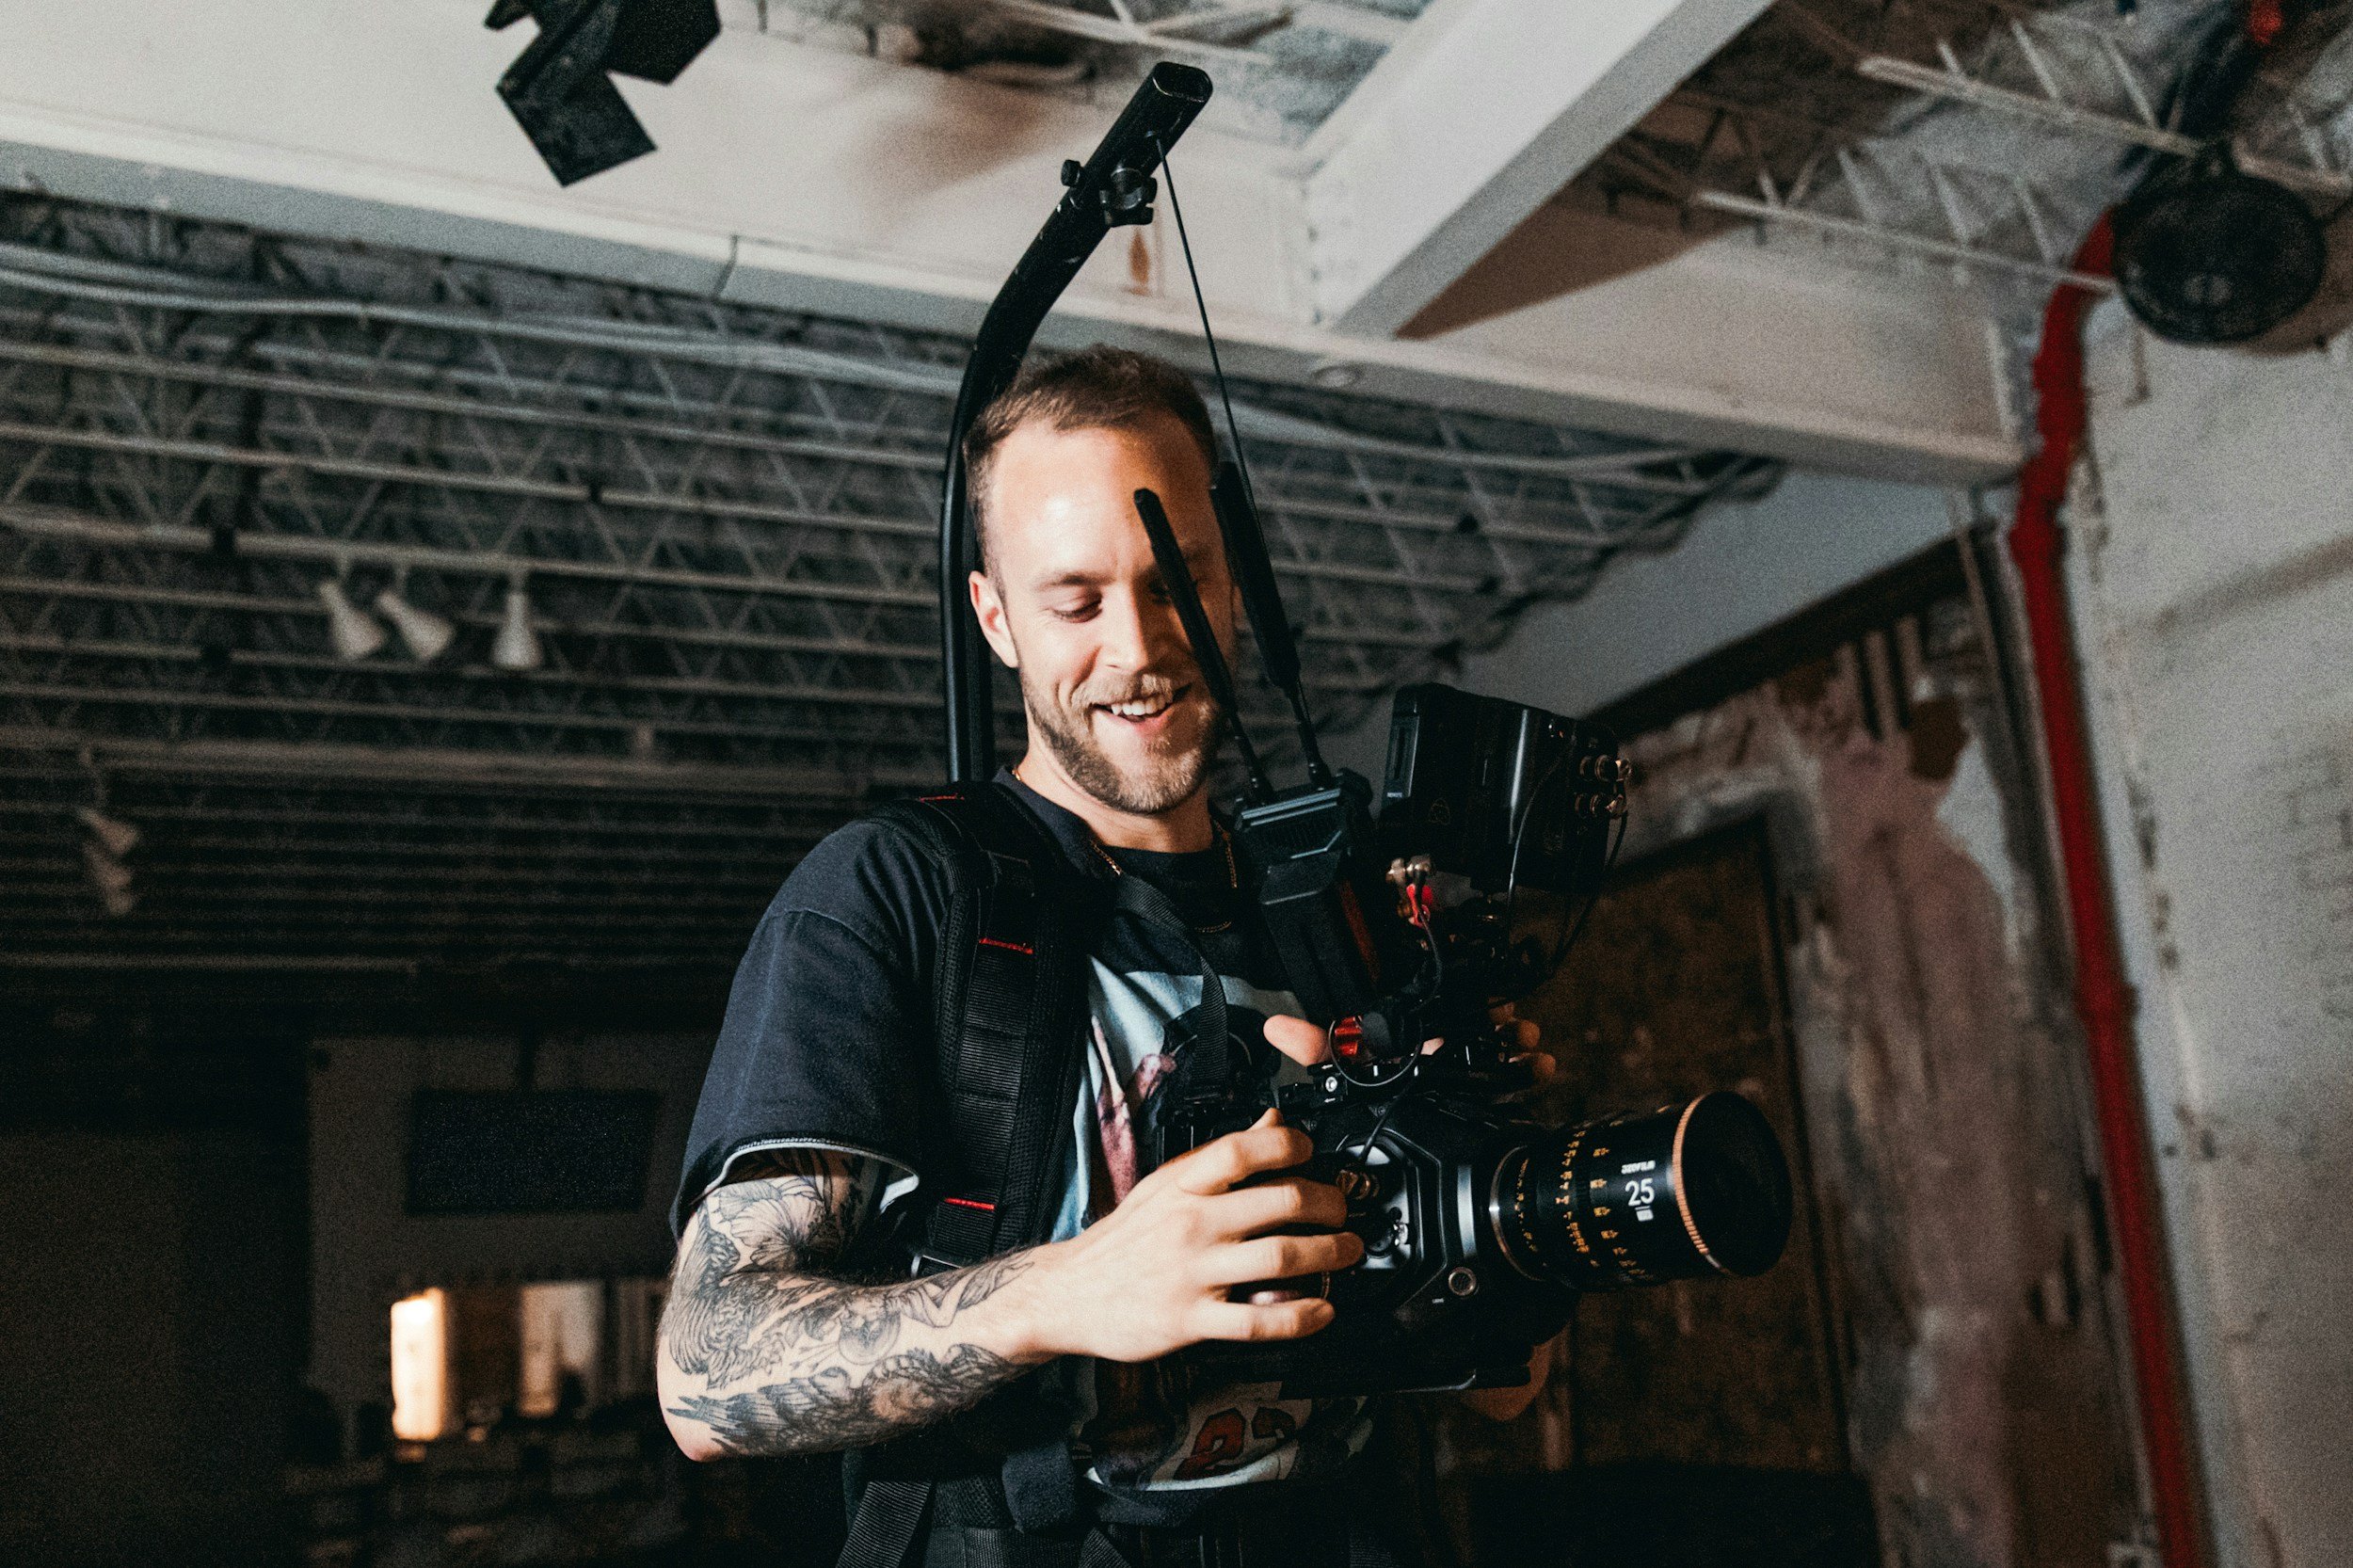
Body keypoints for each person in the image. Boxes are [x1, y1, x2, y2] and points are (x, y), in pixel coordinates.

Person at [658, 345, 1549, 1568]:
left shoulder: (1341, 914)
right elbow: (706, 1375)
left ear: (1232, 580)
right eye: (1074, 600)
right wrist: (1072, 1291)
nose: (1138, 647)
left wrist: (1498, 1175)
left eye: (1176, 575)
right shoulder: (893, 893)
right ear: (995, 617)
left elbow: (1504, 1385)